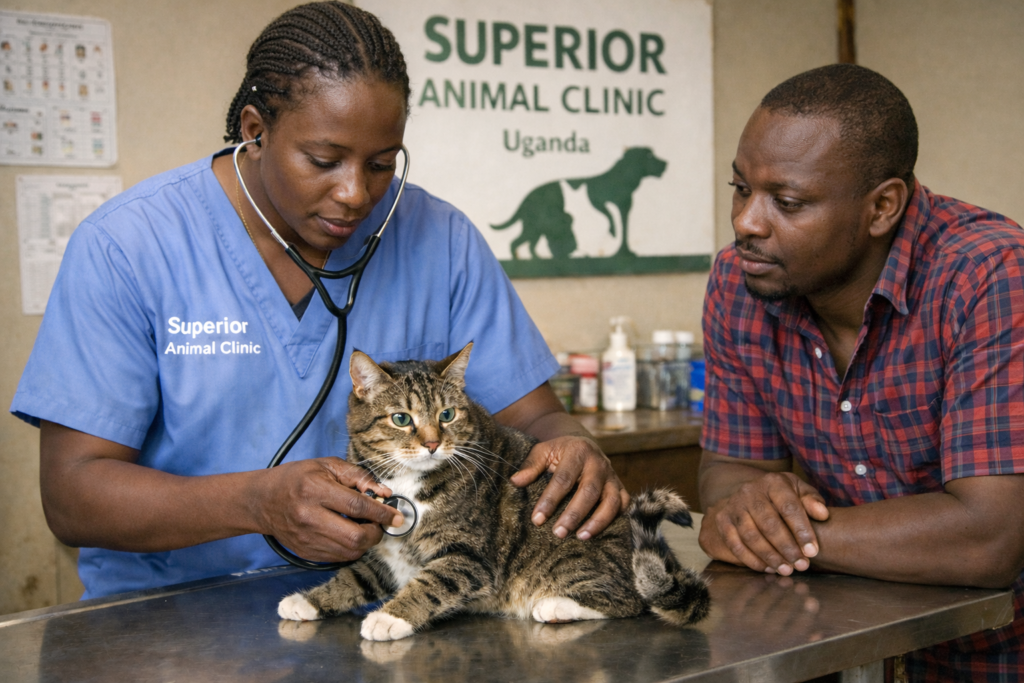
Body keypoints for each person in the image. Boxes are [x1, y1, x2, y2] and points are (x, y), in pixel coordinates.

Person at [10, 2, 627, 601]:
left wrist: (574, 451)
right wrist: (257, 504)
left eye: (382, 163)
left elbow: (539, 422)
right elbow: (72, 495)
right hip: (171, 622)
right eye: (324, 161)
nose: (356, 194)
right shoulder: (127, 245)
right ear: (255, 131)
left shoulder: (442, 240)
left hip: (393, 608)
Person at [697, 63, 1024, 680]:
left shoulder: (989, 275)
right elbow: (731, 471)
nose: (747, 222)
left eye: (787, 202)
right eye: (741, 189)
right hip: (846, 643)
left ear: (882, 207)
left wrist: (766, 534)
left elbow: (989, 539)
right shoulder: (739, 283)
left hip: (999, 651)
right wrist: (744, 506)